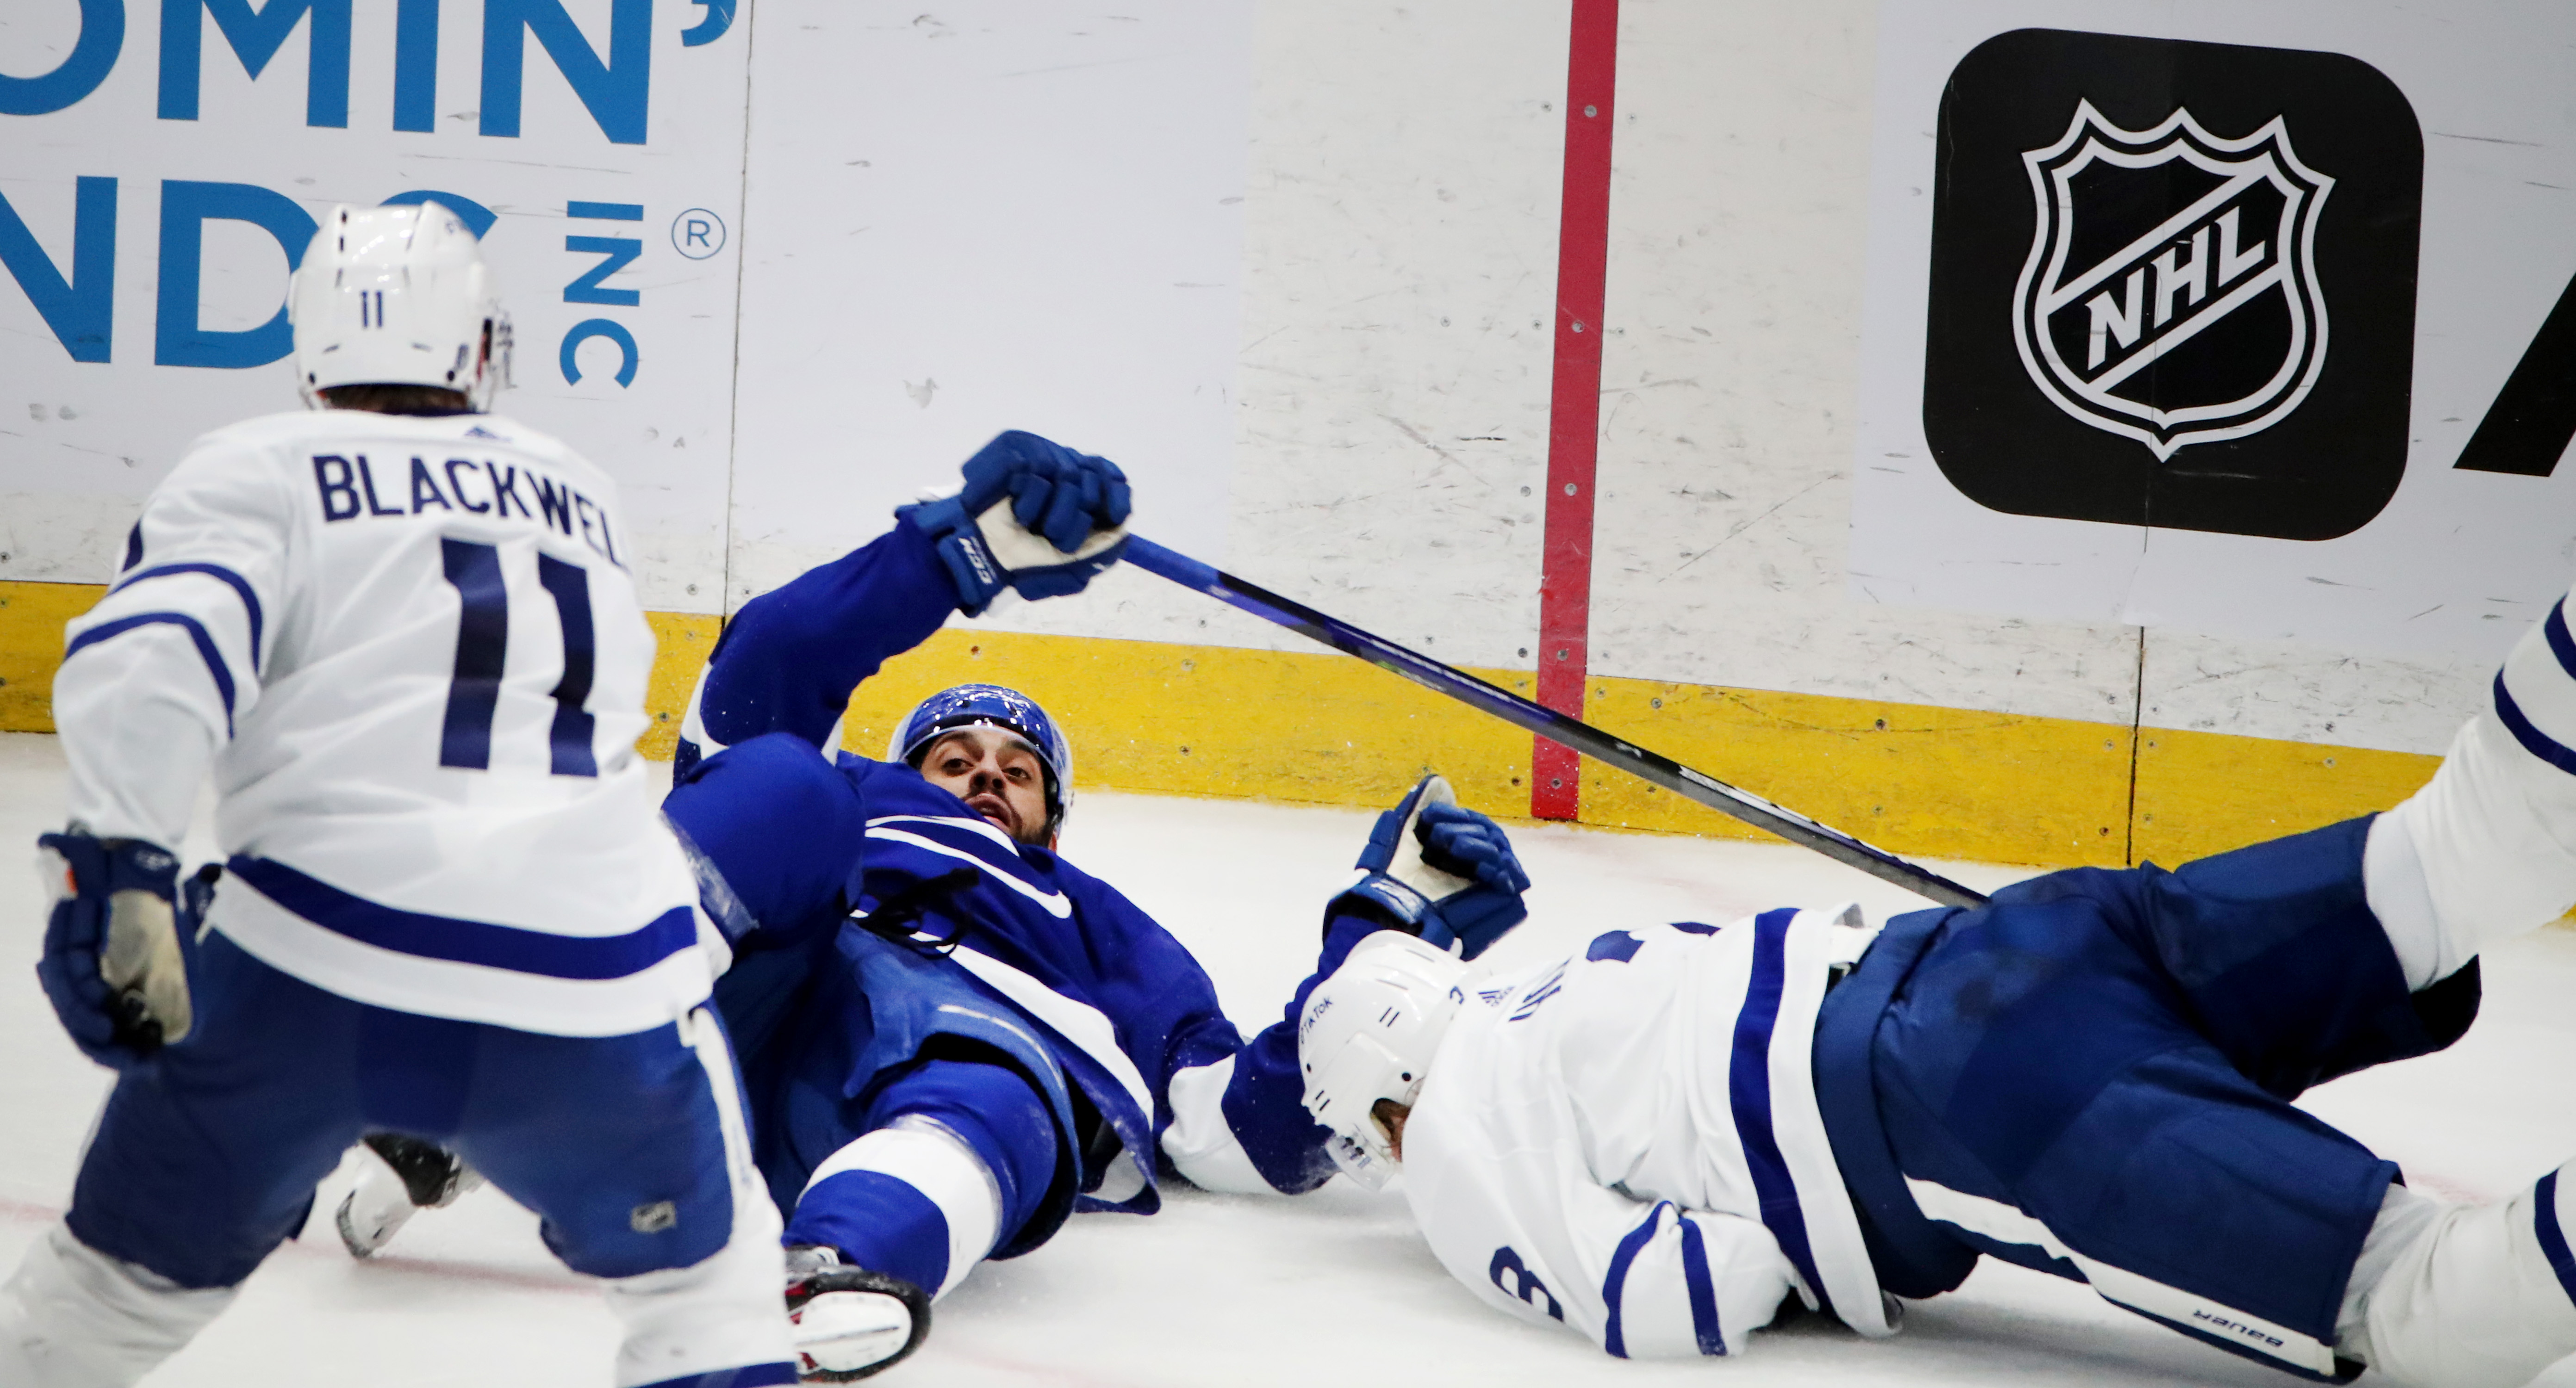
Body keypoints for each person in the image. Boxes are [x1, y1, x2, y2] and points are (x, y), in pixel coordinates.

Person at [335, 430, 1539, 1381]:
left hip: (899, 1077)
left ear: (1052, 818)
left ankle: (848, 1268)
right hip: (735, 1001)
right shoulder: (857, 801)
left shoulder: (1105, 932)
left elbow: (1234, 1131)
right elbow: (767, 667)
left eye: (1015, 772)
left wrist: (1381, 941)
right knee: (773, 786)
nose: (982, 777)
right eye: (952, 757)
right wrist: (952, 554)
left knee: (1002, 1089)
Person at [1298, 586, 2576, 1388]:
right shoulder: (1558, 983)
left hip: (1969, 1099)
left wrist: (1792, 1256)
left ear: (1391, 1097)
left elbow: (1678, 1296)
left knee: (2407, 1302)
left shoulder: (1457, 1129)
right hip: (2018, 941)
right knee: (2444, 851)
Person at [0, 202, 795, 1388]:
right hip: (591, 985)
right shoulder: (579, 489)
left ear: (312, 351)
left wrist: (117, 867)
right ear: (481, 349)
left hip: (312, 963)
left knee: (107, 1297)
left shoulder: (254, 465)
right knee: (711, 1305)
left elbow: (150, 661)